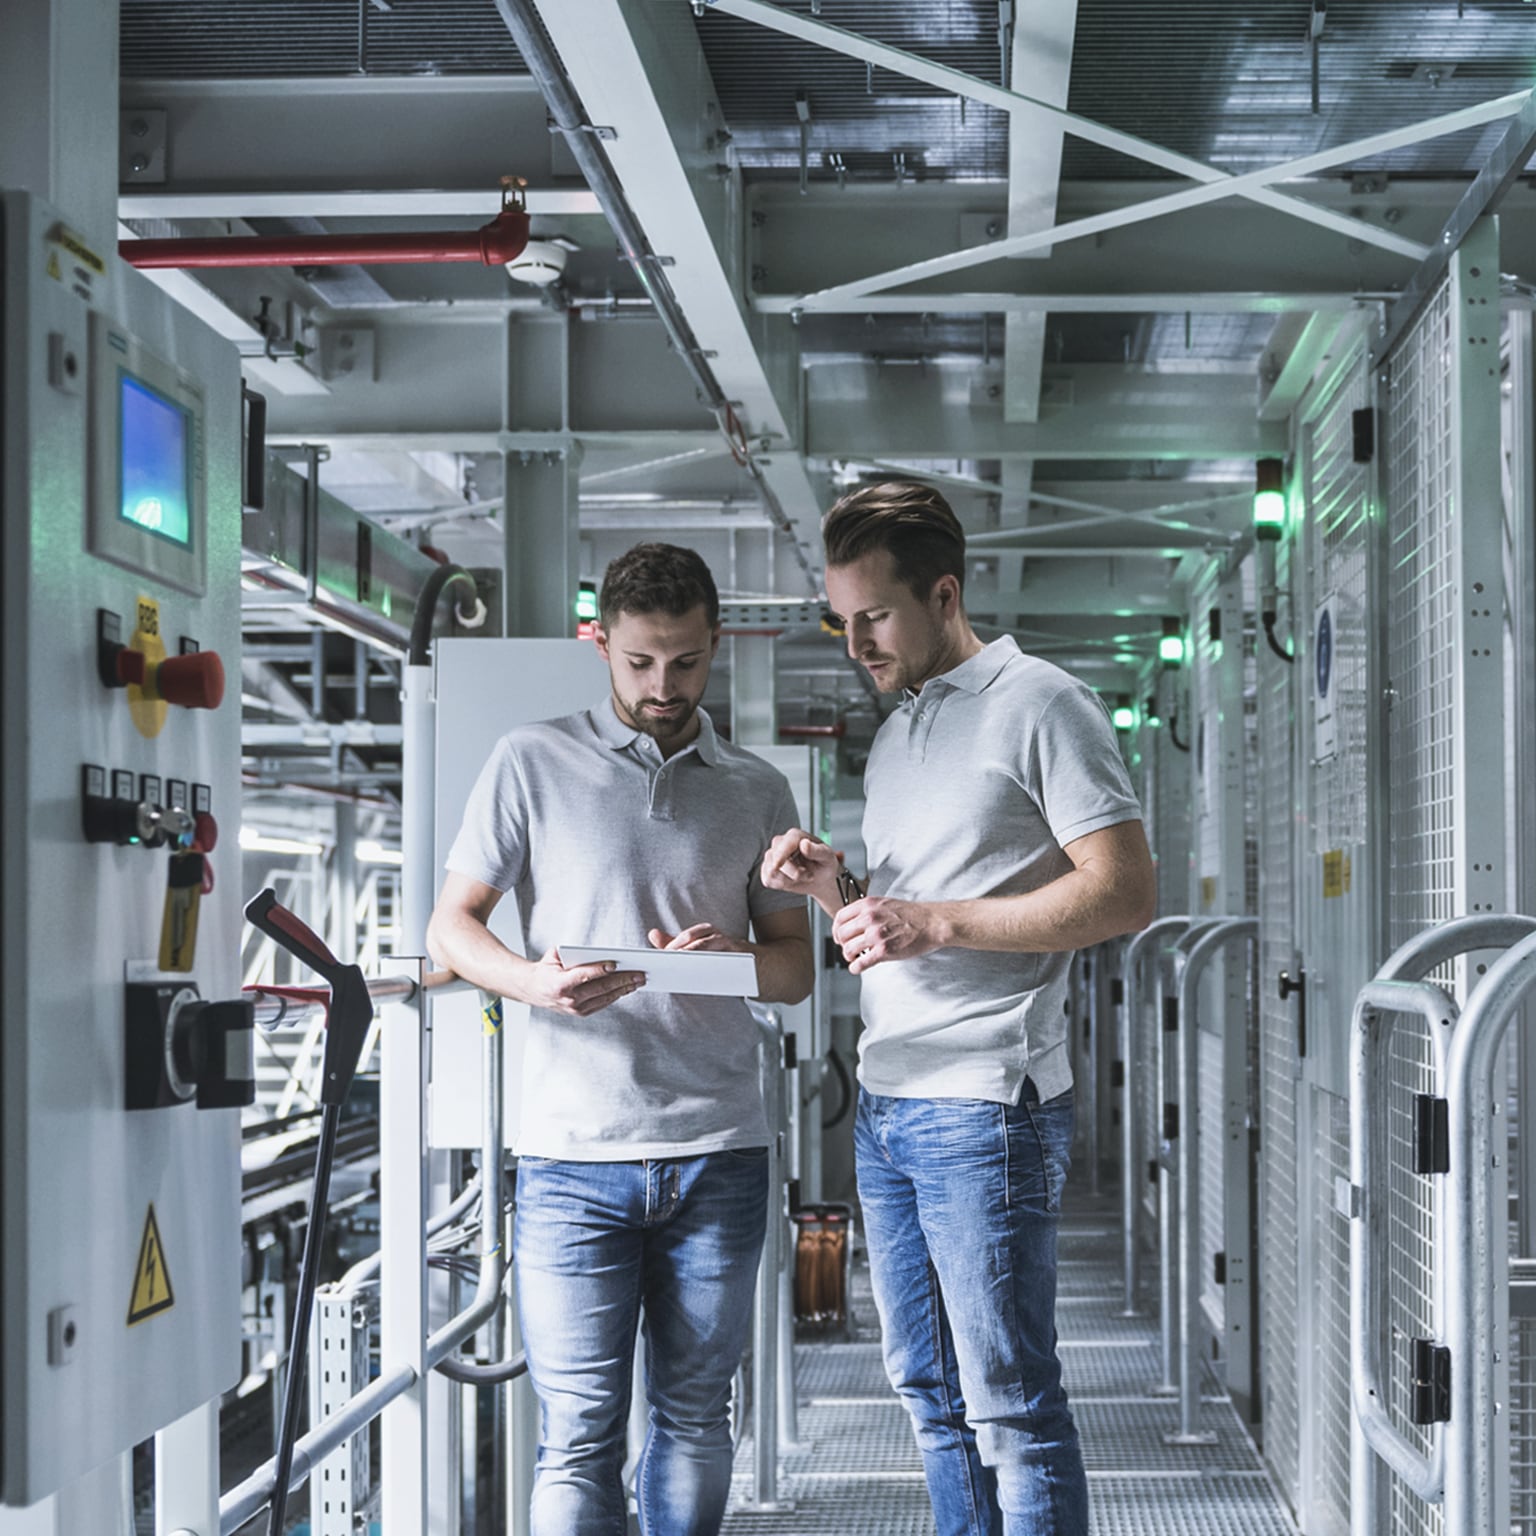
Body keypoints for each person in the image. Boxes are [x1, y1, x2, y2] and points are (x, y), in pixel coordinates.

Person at [762, 481, 1156, 1536]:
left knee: (1010, 1405)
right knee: (930, 1398)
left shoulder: (1042, 704)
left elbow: (1123, 890)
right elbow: (897, 923)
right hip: (890, 1104)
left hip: (987, 1103)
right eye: (840, 622)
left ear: (943, 594)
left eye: (875, 618)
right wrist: (831, 892)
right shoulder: (896, 735)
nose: (856, 645)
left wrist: (933, 923)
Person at [428, 542, 813, 1536]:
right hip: (570, 1156)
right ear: (600, 644)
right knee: (580, 1432)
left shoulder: (759, 789)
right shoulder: (531, 759)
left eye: (686, 661)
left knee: (693, 1418)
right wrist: (534, 985)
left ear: (716, 646)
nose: (663, 685)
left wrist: (731, 953)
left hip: (719, 1151)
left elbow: (796, 969)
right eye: (641, 661)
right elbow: (451, 927)